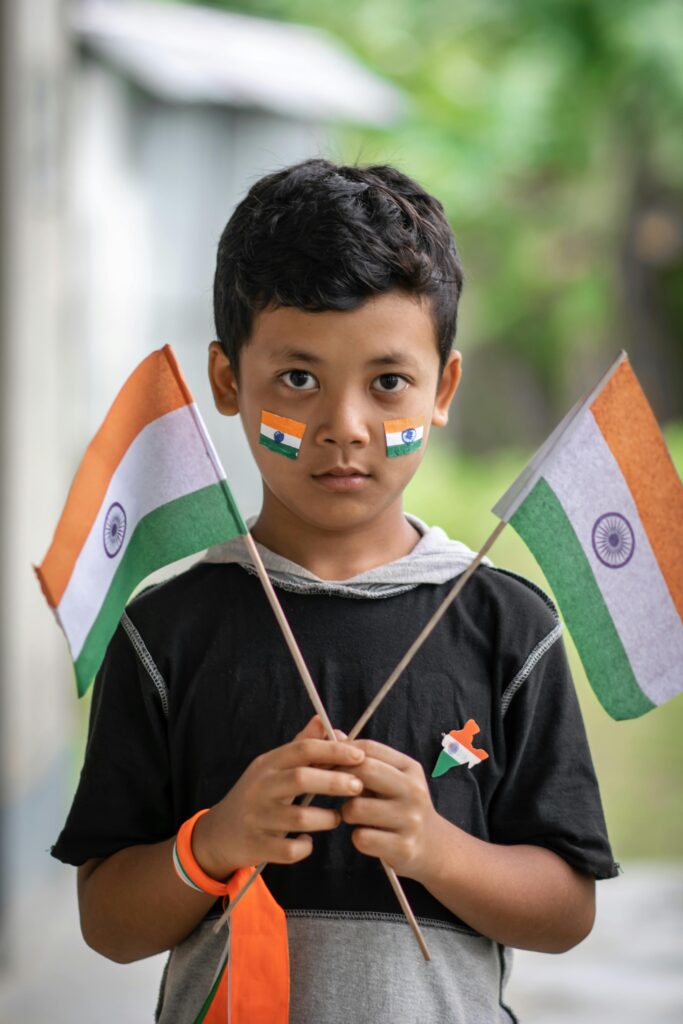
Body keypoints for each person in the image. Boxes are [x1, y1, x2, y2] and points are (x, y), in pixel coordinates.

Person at [51, 159, 619, 1023]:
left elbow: (566, 910)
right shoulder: (163, 632)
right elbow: (108, 922)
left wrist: (436, 849)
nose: (343, 428)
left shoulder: (507, 625)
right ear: (227, 382)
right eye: (298, 380)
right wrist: (217, 842)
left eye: (387, 382)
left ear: (443, 391)